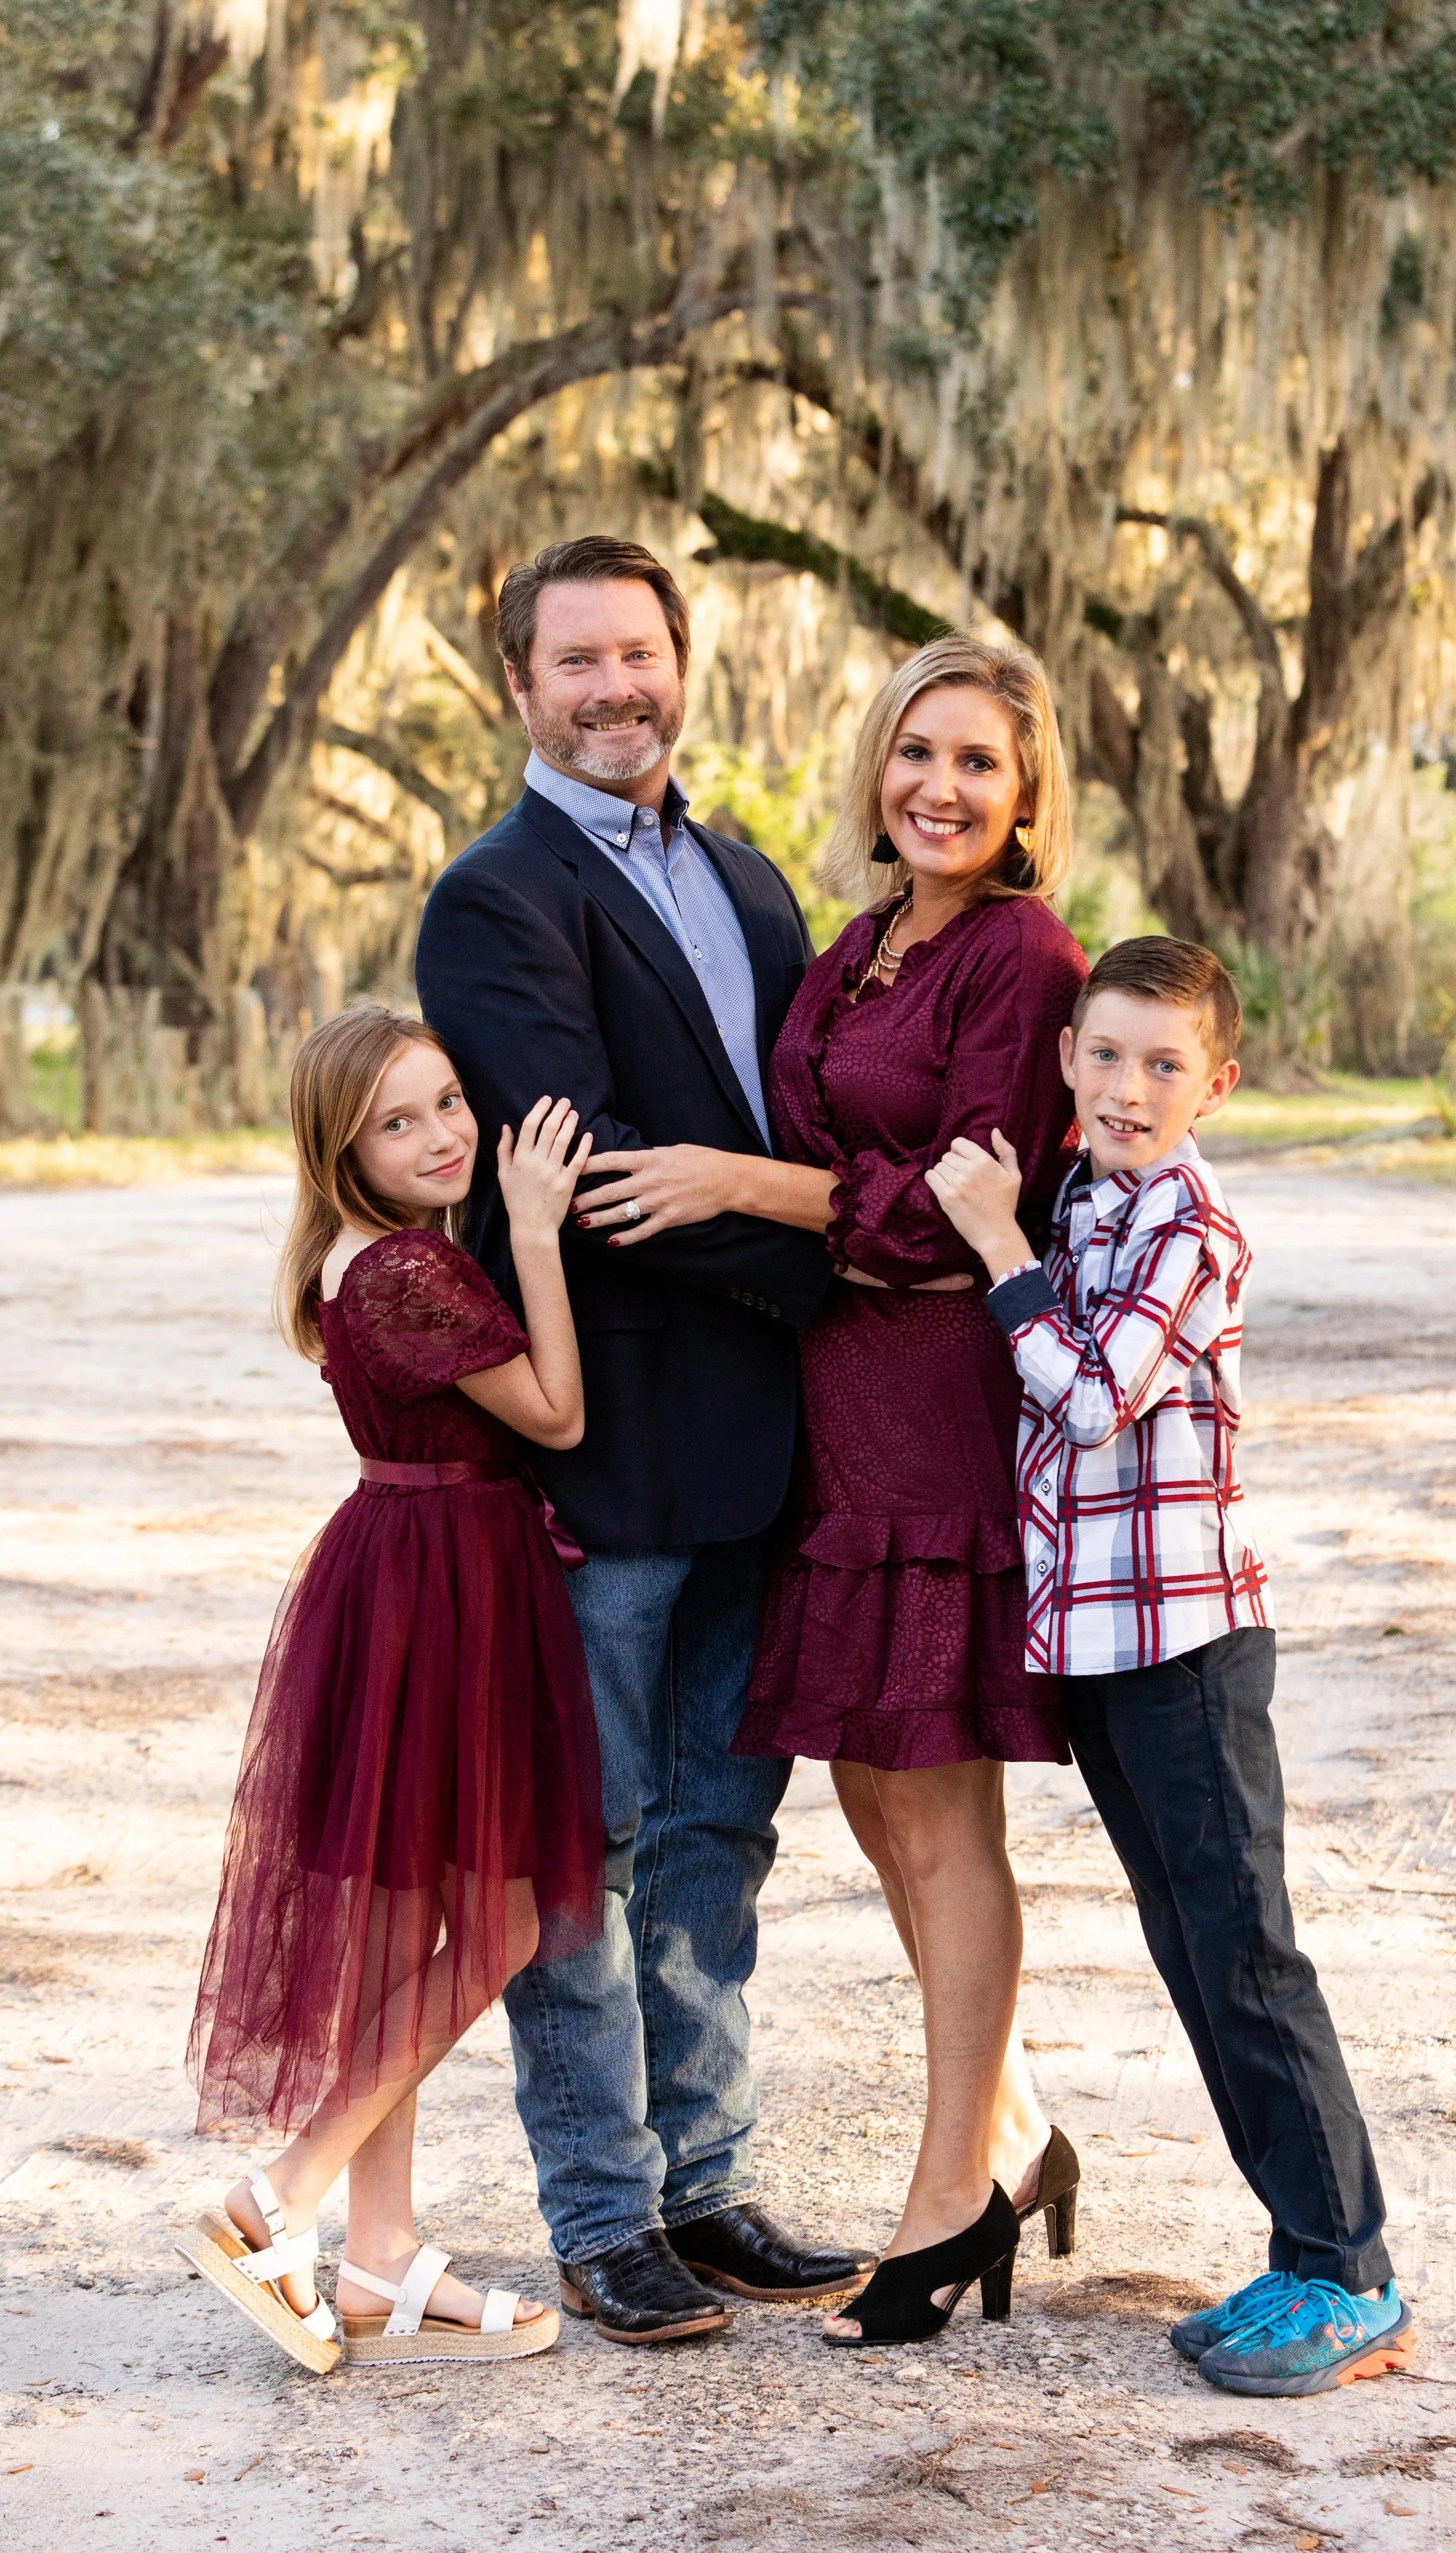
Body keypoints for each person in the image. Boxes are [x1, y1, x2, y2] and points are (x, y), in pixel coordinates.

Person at [598, 634, 1088, 2348]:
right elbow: (837, 1153)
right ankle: (1010, 2135)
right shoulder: (866, 942)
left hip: (937, 1410)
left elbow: (956, 1211)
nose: (937, 788)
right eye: (914, 754)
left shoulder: (1022, 962)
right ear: (875, 765)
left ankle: (946, 2198)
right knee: (881, 1804)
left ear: (1025, 797)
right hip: (832, 1411)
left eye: (975, 763)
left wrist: (743, 1181)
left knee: (939, 1812)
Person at [413, 536, 873, 2345]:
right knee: (580, 1854)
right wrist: (847, 1246)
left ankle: (708, 2182)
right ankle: (602, 2216)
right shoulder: (493, 898)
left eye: (641, 655)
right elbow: (585, 1162)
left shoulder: (747, 872)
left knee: (714, 1840)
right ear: (520, 687)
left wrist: (831, 1229)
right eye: (578, 662)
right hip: (602, 1446)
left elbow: (788, 1106)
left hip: (762, 1452)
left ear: (683, 665)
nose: (617, 688)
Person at [924, 933, 1416, 2398]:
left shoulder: (1184, 1227)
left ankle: (1348, 2272)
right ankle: (1293, 2256)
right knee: (1192, 1950)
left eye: (1162, 1065)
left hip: (1187, 1642)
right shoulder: (1085, 1195)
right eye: (1104, 1055)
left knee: (1248, 1954)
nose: (1127, 1089)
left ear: (1217, 1083)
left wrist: (994, 1247)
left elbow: (1085, 1400)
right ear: (1066, 1056)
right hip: (1101, 1645)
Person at [181, 1006, 604, 2370]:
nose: (440, 1137)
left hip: (423, 1571)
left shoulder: (380, 1259)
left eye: (443, 1104)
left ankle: (377, 2259)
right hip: (442, 1587)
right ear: (341, 1146)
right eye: (397, 1121)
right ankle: (275, 2199)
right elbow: (554, 1414)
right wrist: (534, 1228)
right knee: (489, 1928)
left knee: (418, 1926)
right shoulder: (406, 1271)